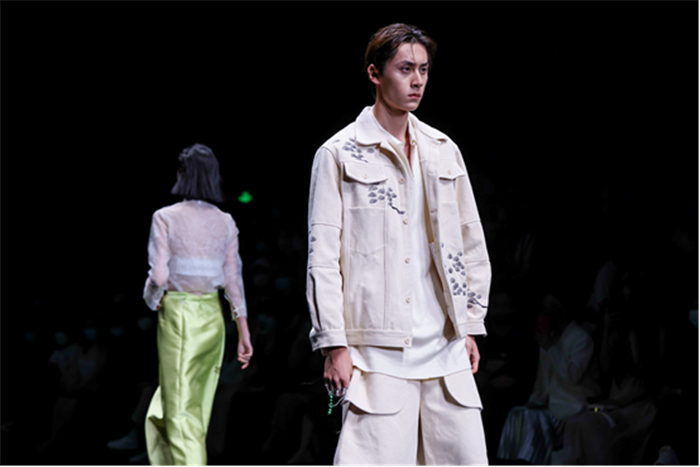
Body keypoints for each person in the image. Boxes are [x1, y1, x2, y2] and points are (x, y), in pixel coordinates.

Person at [306, 23, 491, 465]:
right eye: (405, 68)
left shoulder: (444, 149)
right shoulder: (339, 153)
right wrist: (333, 344)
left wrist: (469, 323)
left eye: (423, 69)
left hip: (445, 348)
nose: (417, 80)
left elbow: (471, 240)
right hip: (377, 352)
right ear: (374, 73)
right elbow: (323, 257)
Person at [142, 143, 253, 465]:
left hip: (181, 315)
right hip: (213, 318)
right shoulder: (226, 221)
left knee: (181, 413)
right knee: (182, 406)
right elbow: (234, 280)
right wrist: (243, 331)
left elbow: (159, 275)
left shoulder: (165, 217)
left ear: (181, 174)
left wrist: (152, 298)